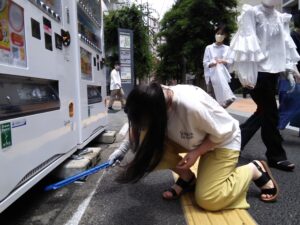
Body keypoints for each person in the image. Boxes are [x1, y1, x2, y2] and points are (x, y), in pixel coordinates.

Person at [109, 83, 279, 211]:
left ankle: (253, 169)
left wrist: (197, 152)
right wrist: (122, 151)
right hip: (194, 139)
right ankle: (187, 178)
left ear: (161, 111)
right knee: (148, 150)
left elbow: (224, 132)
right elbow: (139, 128)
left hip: (221, 141)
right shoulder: (153, 96)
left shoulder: (191, 106)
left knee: (208, 199)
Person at [229, 0, 300, 171]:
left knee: (263, 112)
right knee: (271, 113)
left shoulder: (282, 18)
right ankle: (276, 156)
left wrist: (292, 69)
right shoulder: (251, 13)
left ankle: (233, 145)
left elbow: (285, 46)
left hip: (273, 73)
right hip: (256, 72)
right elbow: (245, 45)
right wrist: (247, 75)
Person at [203, 25, 236, 108]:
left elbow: (231, 61)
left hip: (223, 77)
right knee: (212, 98)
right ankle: (214, 115)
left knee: (225, 98)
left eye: (222, 34)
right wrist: (212, 63)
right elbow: (205, 62)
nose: (219, 36)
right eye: (218, 33)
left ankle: (220, 112)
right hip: (211, 77)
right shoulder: (209, 48)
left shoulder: (228, 48)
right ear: (215, 34)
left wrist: (223, 61)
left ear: (225, 36)